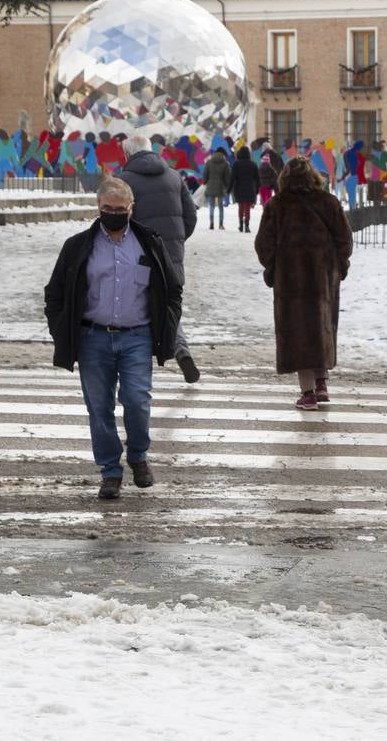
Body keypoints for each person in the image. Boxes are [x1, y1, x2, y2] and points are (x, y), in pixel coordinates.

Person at [43, 176, 182, 500]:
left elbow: (172, 289)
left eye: (120, 209)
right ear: (98, 207)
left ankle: (138, 455)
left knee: (137, 400)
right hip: (93, 338)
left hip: (137, 336)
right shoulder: (78, 246)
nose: (114, 214)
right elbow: (55, 294)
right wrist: (61, 331)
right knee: (99, 408)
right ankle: (110, 471)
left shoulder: (148, 242)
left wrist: (168, 327)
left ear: (131, 209)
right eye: (108, 208)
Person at [254, 157, 353, 410]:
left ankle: (307, 393)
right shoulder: (329, 202)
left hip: (290, 282)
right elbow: (345, 239)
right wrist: (339, 266)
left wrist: (274, 267)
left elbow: (263, 244)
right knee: (321, 328)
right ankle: (321, 384)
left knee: (298, 333)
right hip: (323, 280)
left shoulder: (277, 206)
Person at [118, 133, 201, 383]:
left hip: (138, 254)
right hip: (171, 255)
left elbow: (118, 220)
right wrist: (174, 242)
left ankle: (137, 364)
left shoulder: (123, 181)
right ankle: (180, 349)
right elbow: (191, 216)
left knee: (136, 306)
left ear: (127, 155)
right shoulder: (174, 177)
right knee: (167, 303)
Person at [230, 145, 260, 232]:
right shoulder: (253, 164)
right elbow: (257, 179)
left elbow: (232, 178)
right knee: (247, 208)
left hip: (239, 188)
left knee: (240, 207)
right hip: (250, 189)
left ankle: (240, 224)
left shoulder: (236, 164)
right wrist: (257, 189)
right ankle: (247, 225)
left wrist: (229, 189)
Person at [201, 146, 232, 229]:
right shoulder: (226, 163)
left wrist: (205, 181)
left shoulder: (209, 162)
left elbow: (205, 173)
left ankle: (211, 222)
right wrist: (227, 186)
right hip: (221, 187)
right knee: (221, 206)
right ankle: (221, 224)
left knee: (211, 205)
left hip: (210, 186)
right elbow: (228, 177)